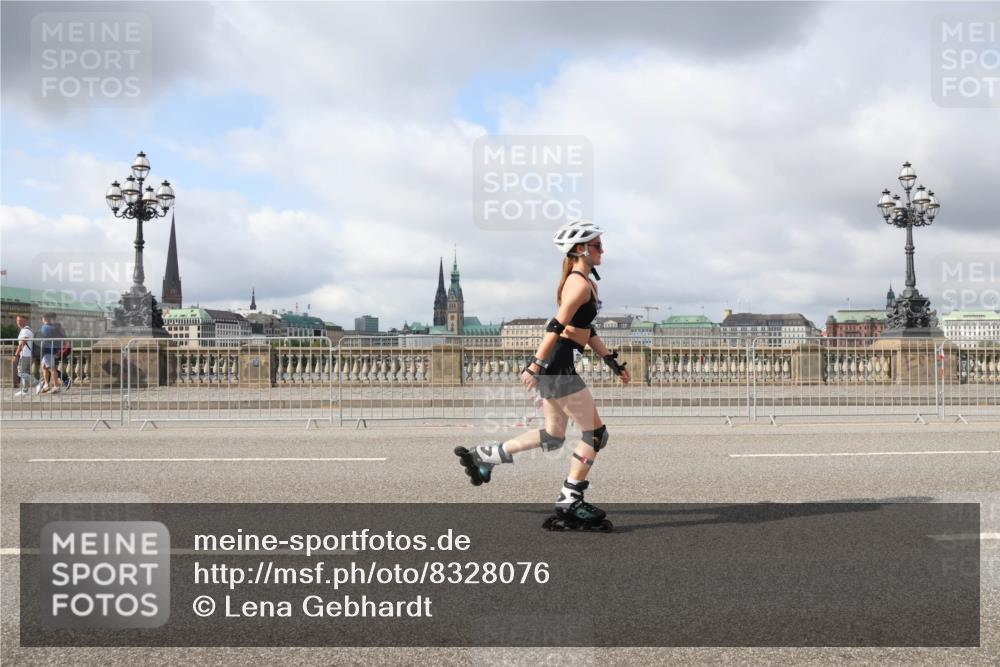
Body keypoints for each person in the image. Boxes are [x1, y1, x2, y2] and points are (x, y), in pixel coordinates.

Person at [455, 219, 631, 531]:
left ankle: (486, 455)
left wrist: (611, 361)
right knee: (595, 434)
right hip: (558, 365)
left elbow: (585, 330)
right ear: (581, 249)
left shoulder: (588, 282)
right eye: (597, 245)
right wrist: (535, 365)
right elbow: (556, 326)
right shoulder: (577, 283)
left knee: (553, 435)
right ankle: (570, 499)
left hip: (559, 364)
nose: (602, 250)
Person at [12, 315, 37, 398]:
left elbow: (23, 343)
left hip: (26, 354)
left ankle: (38, 383)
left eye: (20, 320)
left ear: (25, 321)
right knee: (25, 373)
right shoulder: (24, 330)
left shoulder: (25, 330)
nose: (18, 322)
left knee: (20, 372)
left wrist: (16, 355)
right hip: (27, 354)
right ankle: (25, 391)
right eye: (17, 320)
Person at [37, 313, 62, 394]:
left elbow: (40, 339)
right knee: (44, 367)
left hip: (47, 350)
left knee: (52, 368)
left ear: (44, 319)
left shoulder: (44, 328)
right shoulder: (53, 327)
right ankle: (46, 385)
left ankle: (56, 386)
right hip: (51, 349)